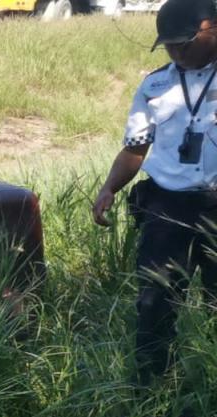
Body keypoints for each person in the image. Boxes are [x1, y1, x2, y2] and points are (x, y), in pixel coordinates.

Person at [91, 0, 217, 385]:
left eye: (184, 43)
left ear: (211, 27)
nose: (176, 52)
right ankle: (152, 392)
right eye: (169, 45)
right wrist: (110, 187)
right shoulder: (155, 85)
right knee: (154, 303)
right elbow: (135, 148)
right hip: (167, 208)